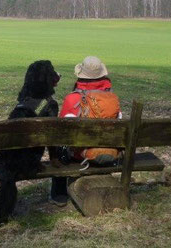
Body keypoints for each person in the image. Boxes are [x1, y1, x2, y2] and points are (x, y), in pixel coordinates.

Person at [49, 56, 122, 206]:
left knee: (58, 144)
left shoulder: (72, 99)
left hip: (81, 155)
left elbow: (63, 133)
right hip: (110, 153)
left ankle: (59, 193)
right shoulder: (113, 98)